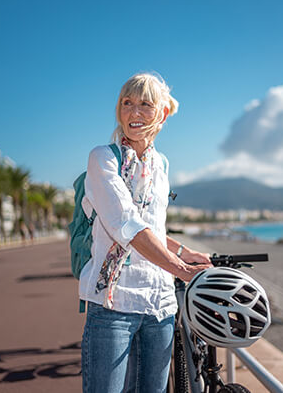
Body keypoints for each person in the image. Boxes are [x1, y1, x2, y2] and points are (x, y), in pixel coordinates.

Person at [79, 73, 212, 392]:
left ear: (162, 114)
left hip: (160, 304)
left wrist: (183, 253)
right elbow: (127, 225)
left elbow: (151, 228)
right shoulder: (103, 158)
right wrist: (182, 270)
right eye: (127, 103)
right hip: (114, 304)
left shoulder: (161, 166)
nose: (133, 113)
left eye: (145, 105)